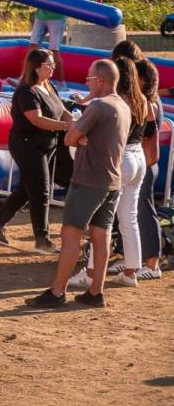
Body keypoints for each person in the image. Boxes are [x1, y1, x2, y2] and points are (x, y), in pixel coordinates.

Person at [26, 60, 129, 310]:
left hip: (88, 179)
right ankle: (96, 291)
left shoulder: (99, 106)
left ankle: (57, 291)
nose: (87, 83)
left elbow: (70, 138)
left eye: (90, 79)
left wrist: (77, 133)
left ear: (101, 81)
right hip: (111, 180)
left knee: (71, 233)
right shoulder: (123, 105)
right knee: (101, 234)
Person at [68, 57, 149, 290]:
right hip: (137, 158)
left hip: (120, 159)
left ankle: (92, 273)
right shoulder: (141, 99)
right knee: (128, 217)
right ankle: (131, 270)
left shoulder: (115, 102)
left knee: (101, 222)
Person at [0, 48, 72, 253]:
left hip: (46, 144)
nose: (53, 67)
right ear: (36, 67)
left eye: (53, 64)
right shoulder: (26, 91)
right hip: (28, 145)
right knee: (41, 191)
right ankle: (42, 239)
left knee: (26, 189)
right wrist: (66, 127)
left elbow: (62, 110)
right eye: (49, 64)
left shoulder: (48, 86)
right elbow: (37, 119)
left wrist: (73, 121)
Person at [133, 59, 164, 279]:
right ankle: (135, 261)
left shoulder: (148, 104)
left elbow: (151, 142)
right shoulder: (150, 102)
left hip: (144, 165)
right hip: (144, 165)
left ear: (142, 80)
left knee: (144, 213)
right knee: (135, 213)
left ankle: (153, 264)